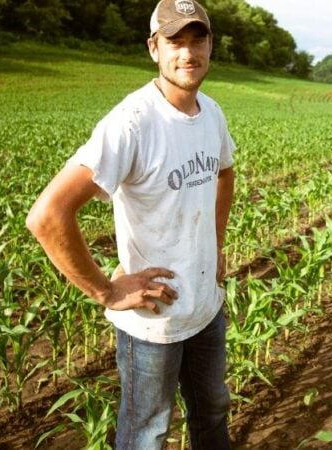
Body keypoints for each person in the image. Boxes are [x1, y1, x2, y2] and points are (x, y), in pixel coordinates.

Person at [26, 0, 235, 448]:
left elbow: (224, 172)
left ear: (211, 45)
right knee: (147, 432)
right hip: (153, 322)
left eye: (197, 39)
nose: (187, 52)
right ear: (153, 49)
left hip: (206, 307)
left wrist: (215, 246)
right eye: (174, 41)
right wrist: (107, 290)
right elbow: (47, 216)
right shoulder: (132, 123)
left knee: (213, 411)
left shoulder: (212, 113)